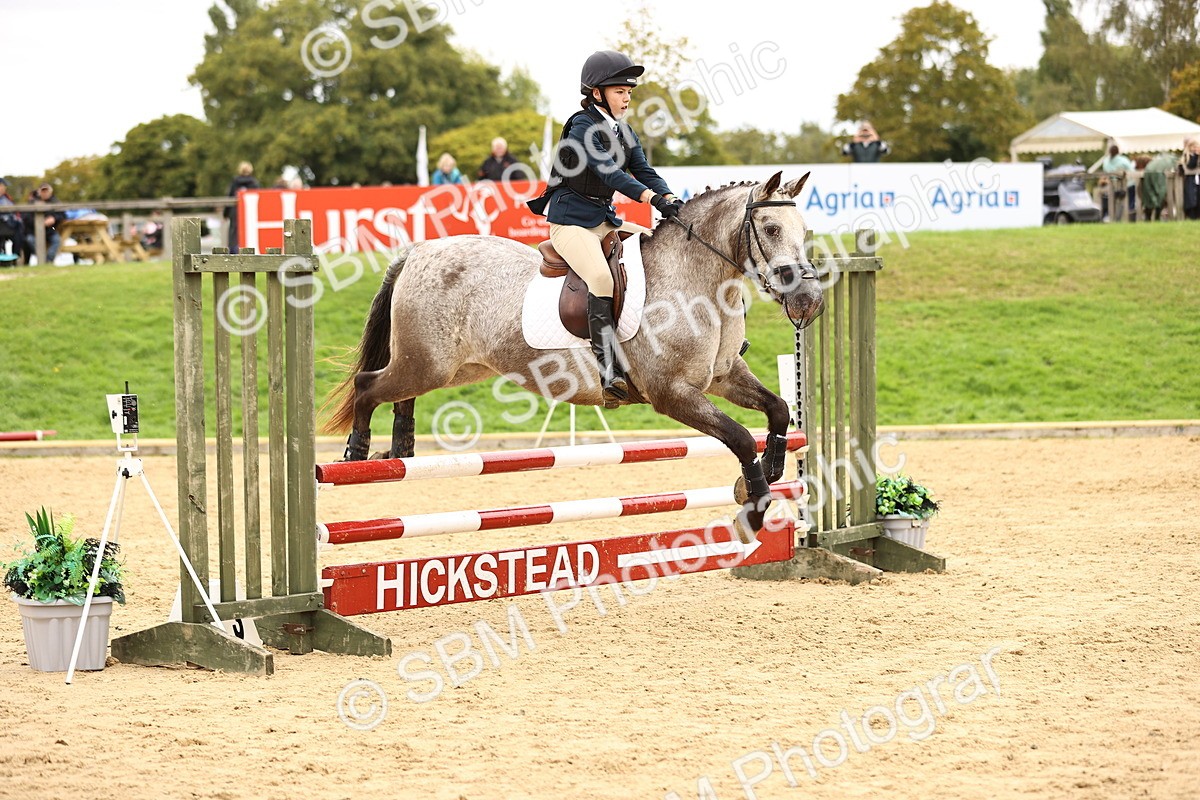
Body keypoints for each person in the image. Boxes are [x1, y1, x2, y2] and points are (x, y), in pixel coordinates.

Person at [527, 49, 682, 406]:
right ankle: (608, 369)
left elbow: (642, 170)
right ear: (596, 93)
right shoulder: (582, 126)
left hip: (603, 221)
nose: (627, 97)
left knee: (663, 246)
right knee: (601, 279)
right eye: (619, 91)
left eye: (629, 91)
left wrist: (669, 196)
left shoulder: (624, 132)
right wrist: (650, 199)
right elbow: (609, 174)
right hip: (569, 224)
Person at [225, 161, 260, 254]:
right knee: (249, 231)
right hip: (250, 212)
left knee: (234, 233)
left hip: (235, 211)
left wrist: (226, 213)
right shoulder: (254, 183)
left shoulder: (235, 182)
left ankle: (233, 251)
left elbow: (229, 197)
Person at [22, 183, 61, 265]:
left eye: (47, 191)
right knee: (29, 239)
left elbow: (62, 215)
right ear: (39, 192)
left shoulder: (56, 202)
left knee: (57, 240)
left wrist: (54, 218)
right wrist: (39, 223)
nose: (45, 193)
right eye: (43, 191)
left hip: (51, 230)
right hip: (34, 231)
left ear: (51, 192)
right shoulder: (31, 203)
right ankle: (42, 259)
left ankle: (48, 260)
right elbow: (25, 217)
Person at [1100, 144, 1134, 221]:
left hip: (1112, 187)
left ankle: (1112, 218)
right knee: (1126, 203)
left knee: (1113, 203)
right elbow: (1131, 172)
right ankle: (1125, 218)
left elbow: (1106, 173)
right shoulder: (1123, 160)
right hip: (1126, 185)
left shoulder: (1106, 161)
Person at [1141, 151, 1177, 221]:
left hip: (1148, 171)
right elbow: (1161, 190)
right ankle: (1157, 216)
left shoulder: (1157, 161)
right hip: (1158, 173)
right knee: (1160, 194)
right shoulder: (1171, 160)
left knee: (1149, 193)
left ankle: (1148, 218)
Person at [0, 178, 24, 265]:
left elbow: (15, 213)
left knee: (20, 231)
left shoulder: (7, 199)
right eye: (1, 186)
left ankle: (15, 257)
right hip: (3, 226)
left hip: (9, 227)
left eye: (3, 187)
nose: (3, 188)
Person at [1181, 137, 1200, 221]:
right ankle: (1192, 216)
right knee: (1191, 199)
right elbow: (1191, 165)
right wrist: (1196, 155)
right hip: (1190, 181)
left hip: (1197, 180)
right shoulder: (1187, 156)